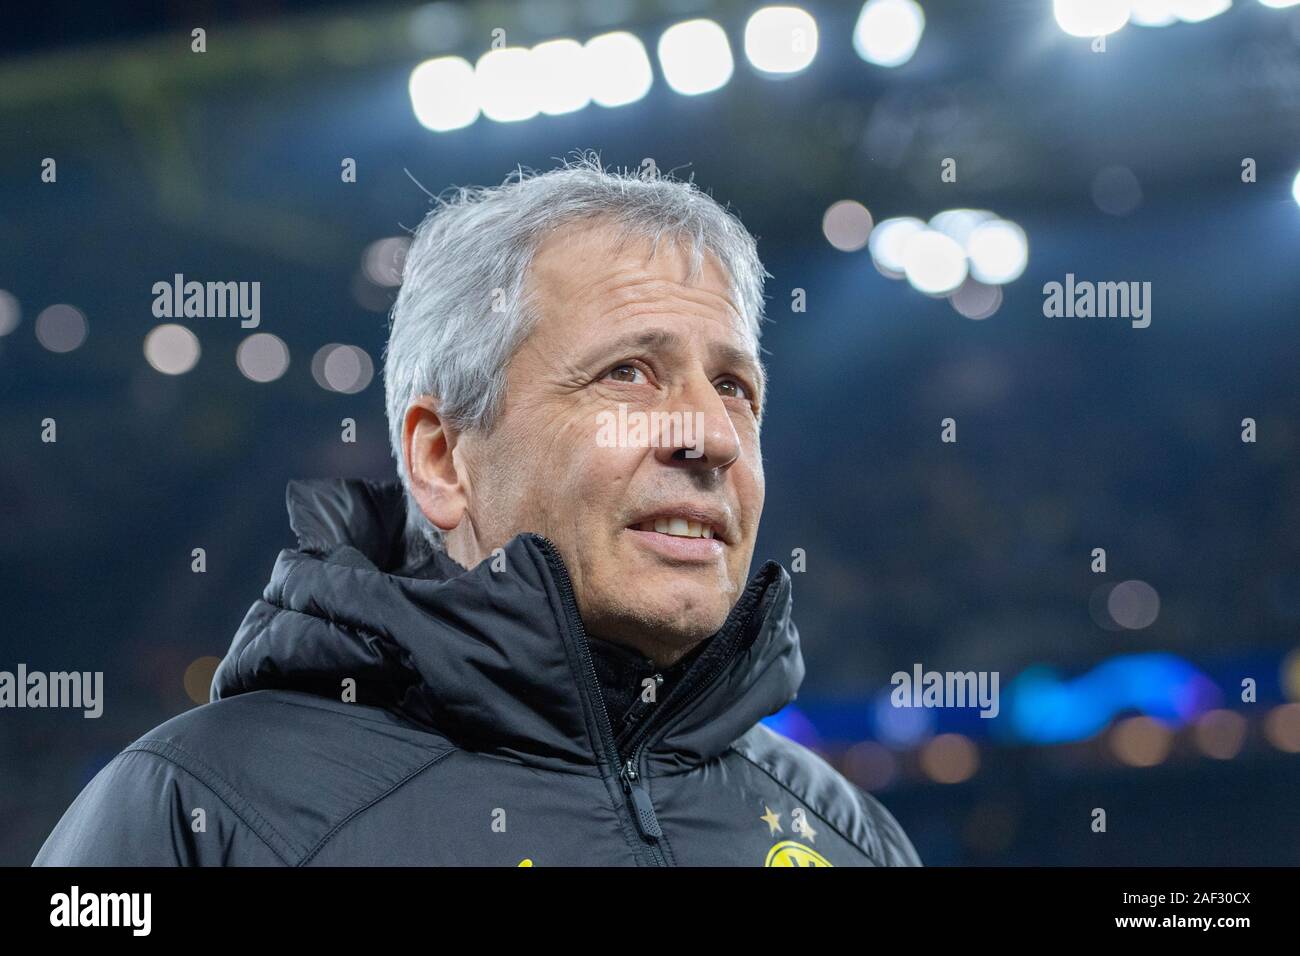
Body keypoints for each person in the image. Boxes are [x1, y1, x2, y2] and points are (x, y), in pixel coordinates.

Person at [35, 155, 920, 866]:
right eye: (628, 373)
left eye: (735, 387)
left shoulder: (852, 836)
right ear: (441, 457)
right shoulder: (195, 813)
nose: (713, 437)